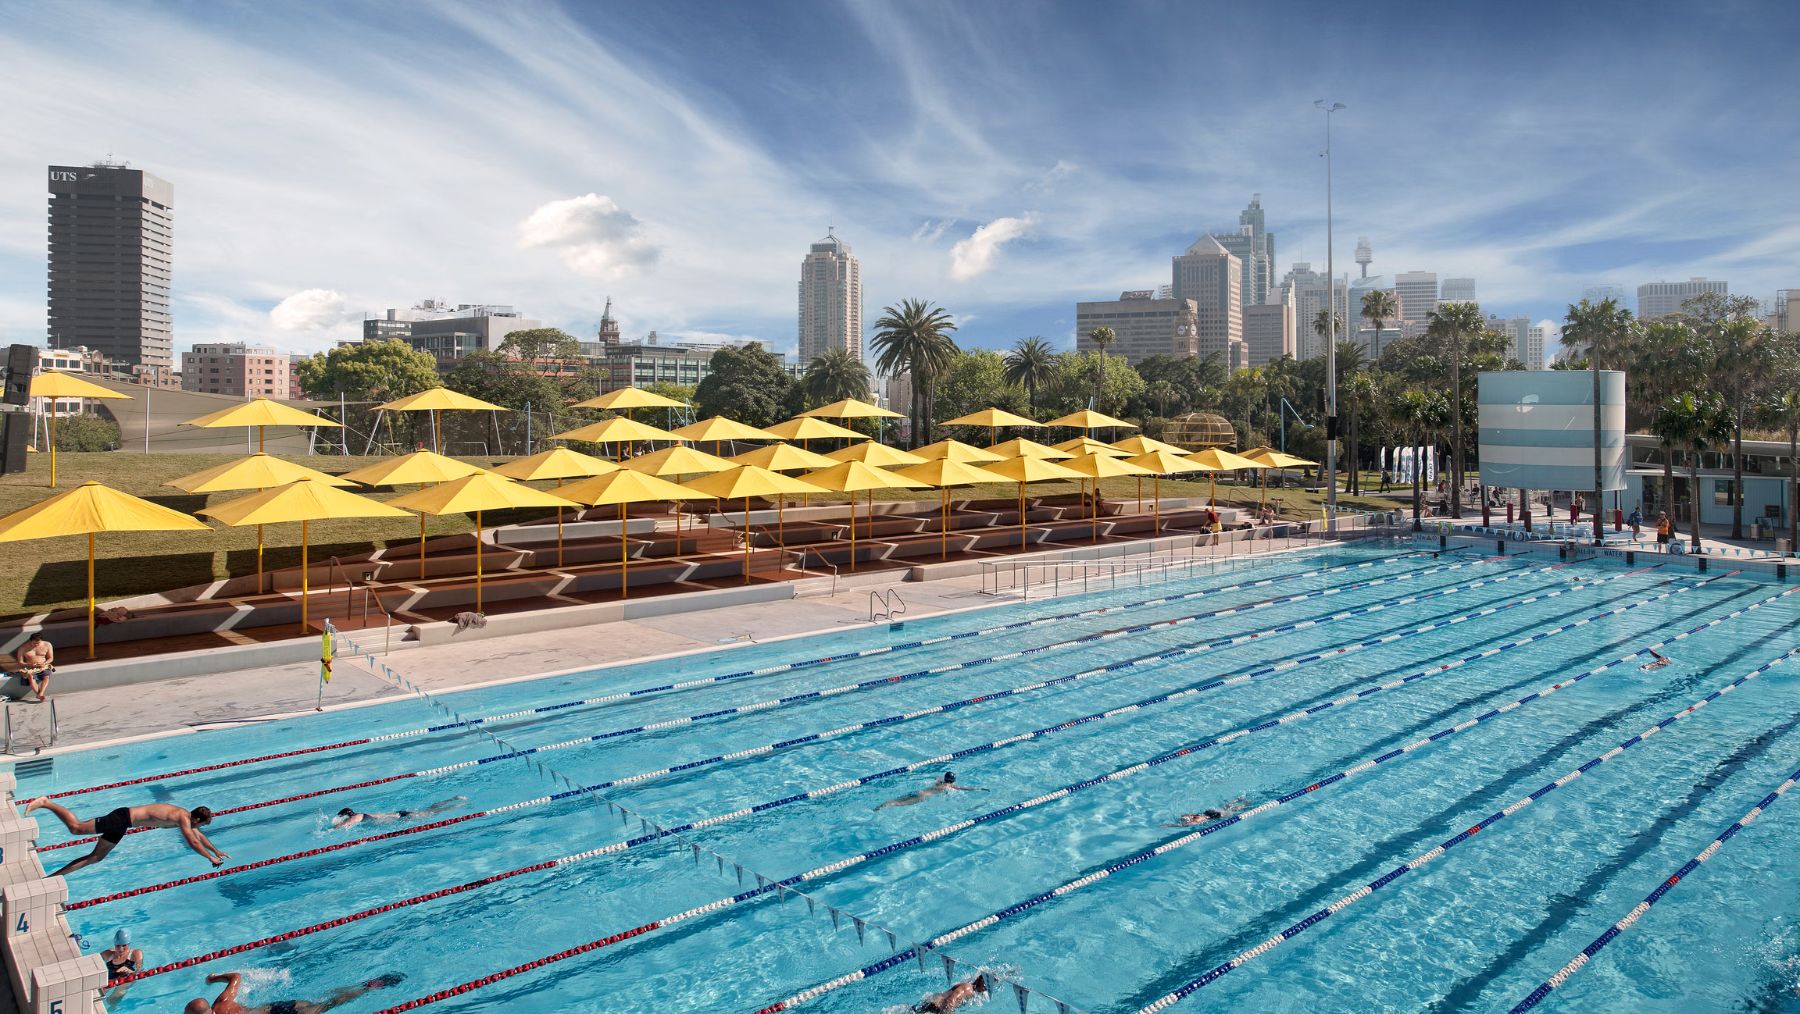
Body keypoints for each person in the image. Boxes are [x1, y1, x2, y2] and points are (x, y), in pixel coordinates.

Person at [23, 798, 225, 877]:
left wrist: (215, 851)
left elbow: (199, 837)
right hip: (121, 818)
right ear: (196, 818)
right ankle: (45, 802)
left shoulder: (189, 821)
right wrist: (210, 858)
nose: (201, 827)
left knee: (96, 857)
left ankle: (52, 877)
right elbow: (193, 841)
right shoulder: (182, 817)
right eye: (203, 823)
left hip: (124, 824)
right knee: (75, 828)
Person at [183, 970, 405, 1014]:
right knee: (324, 999)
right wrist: (213, 979)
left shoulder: (220, 1009)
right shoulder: (221, 1003)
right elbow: (237, 977)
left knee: (331, 1004)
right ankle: (362, 986)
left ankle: (369, 987)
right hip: (277, 1006)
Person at [331, 796, 465, 830]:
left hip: (402, 816)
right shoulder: (359, 815)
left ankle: (456, 803)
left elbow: (345, 824)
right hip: (399, 815)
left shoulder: (358, 816)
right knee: (429, 810)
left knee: (433, 812)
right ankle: (453, 799)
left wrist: (331, 829)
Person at [875, 772, 974, 810]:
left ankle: (880, 805)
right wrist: (975, 788)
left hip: (919, 791)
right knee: (898, 804)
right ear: (953, 781)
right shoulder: (949, 787)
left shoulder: (939, 781)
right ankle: (880, 809)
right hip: (921, 797)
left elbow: (936, 778)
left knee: (896, 800)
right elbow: (962, 788)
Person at [1, 633, 55, 702]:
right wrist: (30, 665)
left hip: (43, 666)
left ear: (41, 641)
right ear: (30, 641)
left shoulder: (47, 645)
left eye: (38, 643)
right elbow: (20, 662)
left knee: (46, 676)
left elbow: (51, 658)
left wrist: (44, 663)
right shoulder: (23, 648)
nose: (36, 645)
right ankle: (39, 695)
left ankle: (40, 693)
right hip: (30, 667)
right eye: (34, 643)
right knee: (30, 676)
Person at [914, 973, 988, 1014]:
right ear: (979, 980)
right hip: (935, 1008)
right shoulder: (968, 989)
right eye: (985, 984)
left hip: (932, 1004)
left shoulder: (969, 987)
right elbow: (951, 1001)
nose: (986, 988)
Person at [102, 928, 143, 1000]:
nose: (121, 949)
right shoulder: (108, 953)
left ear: (129, 944)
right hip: (110, 980)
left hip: (125, 981)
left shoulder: (135, 953)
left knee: (112, 999)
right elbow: (93, 961)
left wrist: (130, 971)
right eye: (118, 946)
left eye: (124, 945)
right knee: (96, 994)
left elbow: (139, 968)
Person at [1162, 798, 1251, 827]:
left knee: (1233, 810)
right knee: (1226, 807)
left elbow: (1182, 825)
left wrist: (1170, 825)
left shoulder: (1195, 821)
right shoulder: (1194, 817)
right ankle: (1238, 799)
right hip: (1210, 812)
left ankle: (1246, 803)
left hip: (1215, 815)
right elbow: (1184, 818)